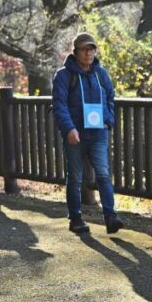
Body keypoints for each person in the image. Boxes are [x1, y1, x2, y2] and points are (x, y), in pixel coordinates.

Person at [52, 32, 124, 235]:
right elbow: (59, 105)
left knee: (103, 174)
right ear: (75, 52)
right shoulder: (64, 75)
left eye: (92, 49)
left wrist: (108, 121)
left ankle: (111, 217)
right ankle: (75, 219)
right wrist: (69, 129)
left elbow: (110, 97)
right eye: (85, 49)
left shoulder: (101, 74)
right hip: (75, 134)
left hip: (99, 133)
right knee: (75, 177)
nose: (89, 53)